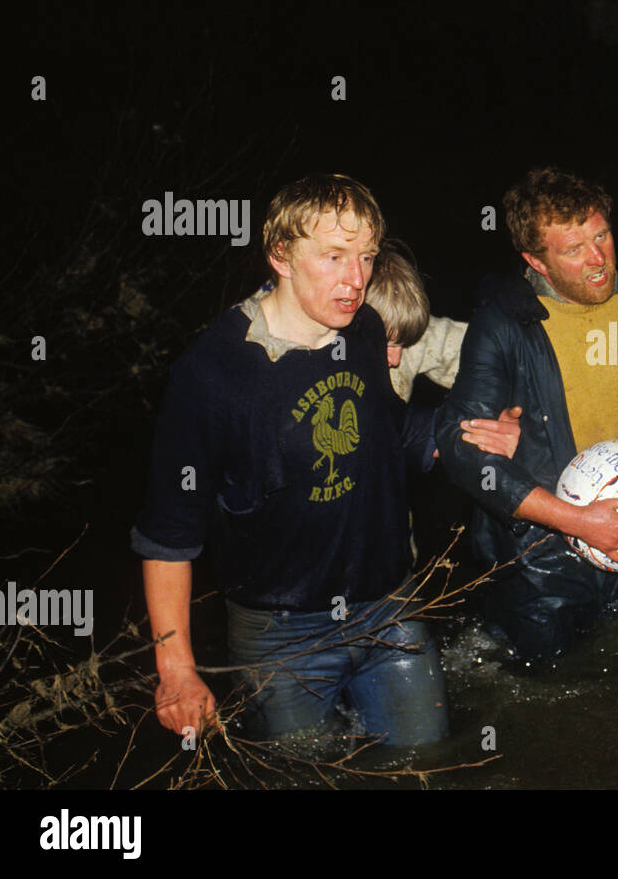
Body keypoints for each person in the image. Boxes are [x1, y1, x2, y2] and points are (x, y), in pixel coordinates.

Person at [132, 174, 521, 747]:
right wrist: (176, 671)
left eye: (365, 256)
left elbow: (392, 434)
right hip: (280, 636)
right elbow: (168, 536)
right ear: (280, 255)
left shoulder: (362, 329)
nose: (357, 279)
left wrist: (478, 435)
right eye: (334, 256)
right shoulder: (212, 374)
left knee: (427, 768)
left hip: (389, 608)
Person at [435, 167, 618, 662]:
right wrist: (577, 519)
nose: (597, 259)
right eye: (572, 249)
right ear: (534, 261)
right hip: (539, 559)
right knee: (549, 695)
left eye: (601, 235)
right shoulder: (502, 323)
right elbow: (462, 454)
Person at [364, 238, 470, 399]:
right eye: (387, 344)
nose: (396, 360)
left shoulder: (405, 333)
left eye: (401, 345)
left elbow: (481, 346)